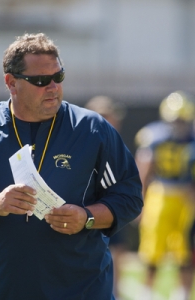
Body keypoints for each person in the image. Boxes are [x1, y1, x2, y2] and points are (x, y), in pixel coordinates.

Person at [0, 33, 143, 300]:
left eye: (59, 77)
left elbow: (130, 196)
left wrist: (86, 217)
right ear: (11, 82)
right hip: (0, 290)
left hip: (81, 290)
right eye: (41, 80)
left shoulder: (92, 128)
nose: (53, 87)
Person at [135, 91, 195, 300]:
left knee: (185, 252)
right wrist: (139, 200)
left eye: (182, 120)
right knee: (153, 250)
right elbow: (144, 169)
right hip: (160, 195)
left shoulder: (191, 139)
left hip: (187, 198)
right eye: (175, 119)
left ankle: (183, 295)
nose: (178, 124)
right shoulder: (154, 136)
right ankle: (148, 294)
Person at [85, 95, 128, 300]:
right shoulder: (84, 144)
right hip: (89, 209)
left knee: (115, 254)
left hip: (110, 208)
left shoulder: (116, 143)